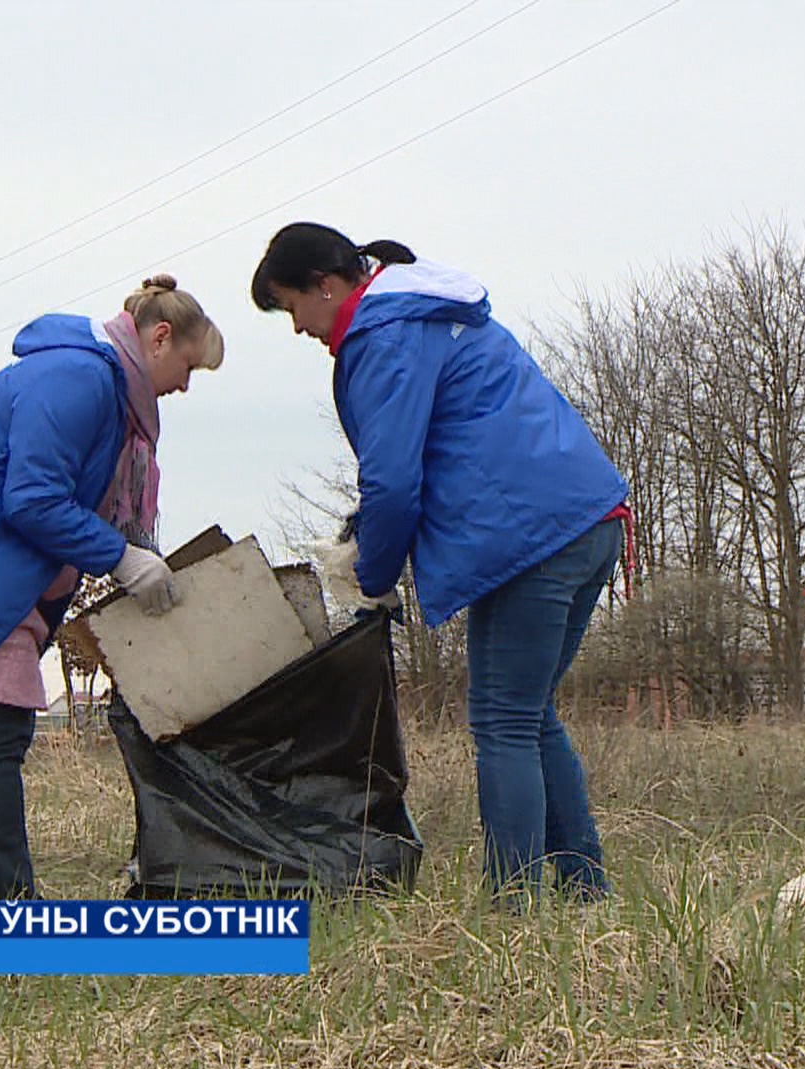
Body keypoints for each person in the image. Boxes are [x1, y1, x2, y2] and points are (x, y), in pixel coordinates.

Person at [251, 223, 629, 904]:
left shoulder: (383, 336)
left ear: (326, 285)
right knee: (530, 711)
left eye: (291, 307)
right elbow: (428, 449)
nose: (298, 328)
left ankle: (514, 905)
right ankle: (584, 888)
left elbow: (394, 481)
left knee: (503, 720)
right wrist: (364, 533)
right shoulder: (424, 314)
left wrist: (371, 582)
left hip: (533, 535)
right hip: (588, 518)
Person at [0, 275, 223, 900]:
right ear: (160, 338)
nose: (185, 387)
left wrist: (128, 554)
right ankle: (9, 909)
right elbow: (31, 499)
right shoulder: (79, 381)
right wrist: (122, 559)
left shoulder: (101, 386)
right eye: (188, 367)